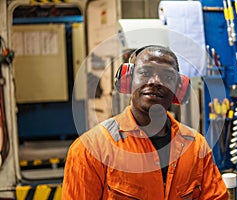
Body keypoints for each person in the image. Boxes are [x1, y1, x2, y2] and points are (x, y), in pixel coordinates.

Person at [62, 45, 228, 199]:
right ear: (128, 80)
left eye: (167, 76)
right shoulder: (90, 149)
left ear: (179, 88)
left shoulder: (196, 146)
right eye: (145, 73)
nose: (155, 81)